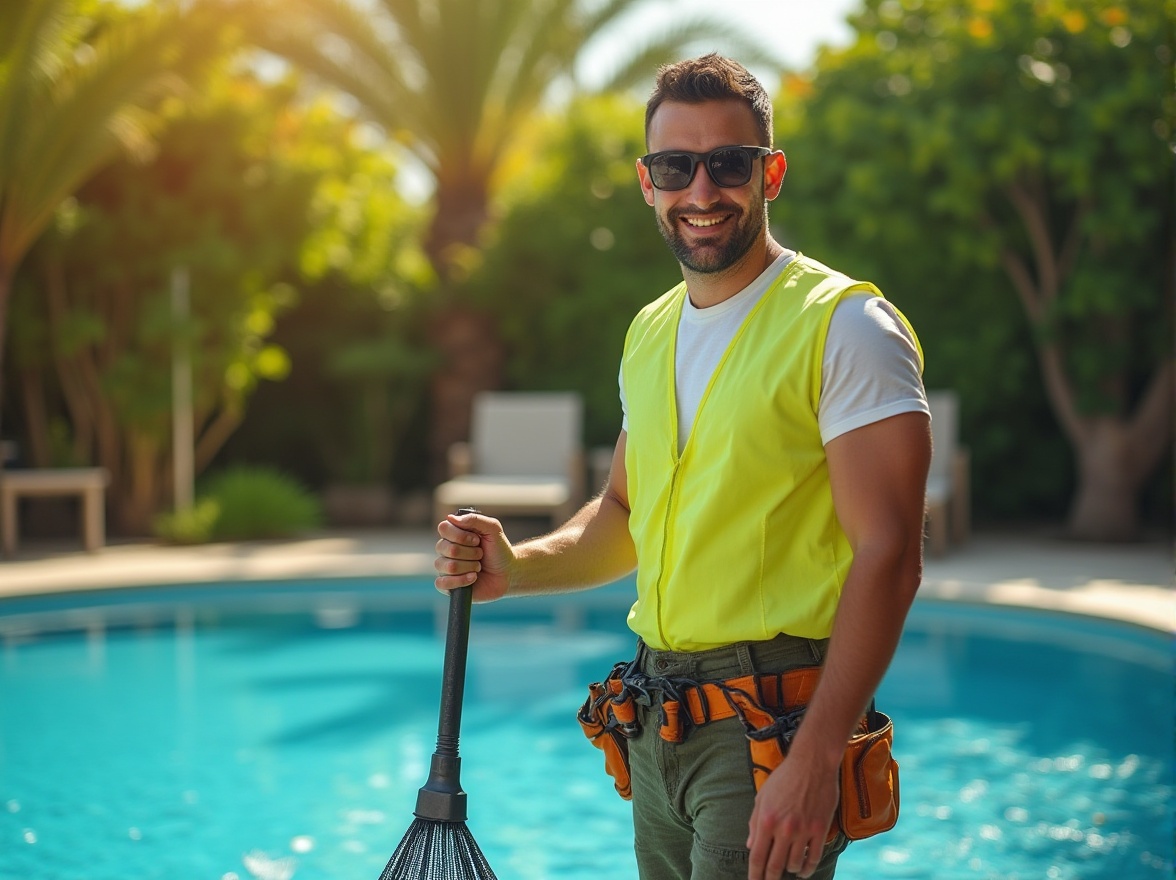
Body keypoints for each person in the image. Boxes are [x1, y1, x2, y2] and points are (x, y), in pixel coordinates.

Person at [434, 54, 931, 880]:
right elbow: (626, 515)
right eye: (677, 167)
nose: (702, 191)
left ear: (769, 172)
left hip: (771, 732)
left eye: (728, 164)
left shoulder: (847, 327)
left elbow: (891, 555)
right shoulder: (650, 331)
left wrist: (815, 757)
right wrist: (516, 567)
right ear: (647, 182)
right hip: (660, 729)